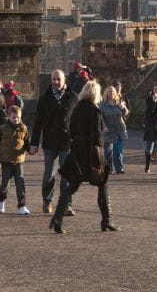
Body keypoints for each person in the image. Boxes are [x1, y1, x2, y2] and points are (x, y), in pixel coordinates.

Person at [51, 81, 119, 234]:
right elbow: (97, 136)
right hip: (91, 153)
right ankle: (106, 220)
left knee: (72, 187)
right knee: (103, 184)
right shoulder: (95, 111)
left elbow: (71, 131)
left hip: (77, 151)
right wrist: (99, 158)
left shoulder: (77, 109)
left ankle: (57, 218)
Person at [29, 69, 77, 214]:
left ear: (64, 80)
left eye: (58, 79)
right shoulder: (45, 99)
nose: (56, 82)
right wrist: (34, 143)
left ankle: (66, 205)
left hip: (67, 142)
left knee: (67, 174)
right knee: (49, 174)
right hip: (50, 141)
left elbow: (79, 120)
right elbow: (38, 122)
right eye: (53, 79)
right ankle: (47, 201)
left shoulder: (73, 97)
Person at [0, 105, 30, 215]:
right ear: (8, 117)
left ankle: (22, 205)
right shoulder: (2, 128)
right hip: (6, 161)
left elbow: (27, 143)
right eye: (13, 117)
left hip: (19, 161)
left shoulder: (24, 128)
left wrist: (31, 149)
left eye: (18, 117)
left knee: (20, 184)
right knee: (5, 184)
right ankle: (1, 200)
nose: (16, 120)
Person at [100, 86, 129, 174]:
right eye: (109, 91)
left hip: (119, 129)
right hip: (108, 130)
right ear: (106, 93)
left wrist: (123, 108)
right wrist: (104, 127)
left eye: (113, 91)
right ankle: (108, 168)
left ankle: (119, 168)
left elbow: (126, 113)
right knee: (108, 151)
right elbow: (101, 118)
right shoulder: (102, 105)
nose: (111, 93)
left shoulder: (118, 102)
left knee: (118, 150)